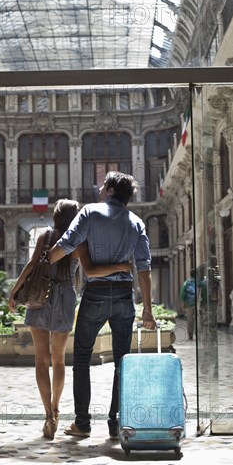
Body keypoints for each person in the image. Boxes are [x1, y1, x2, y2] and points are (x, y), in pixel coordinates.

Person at [9, 199, 130, 440]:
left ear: (55, 217)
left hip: (40, 298)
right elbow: (90, 271)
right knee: (59, 360)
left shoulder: (46, 235)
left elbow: (32, 265)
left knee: (41, 360)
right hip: (65, 297)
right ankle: (56, 407)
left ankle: (48, 417)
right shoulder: (80, 241)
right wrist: (120, 267)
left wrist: (15, 291)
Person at [49, 171, 156, 440]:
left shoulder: (89, 213)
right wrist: (148, 311)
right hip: (123, 296)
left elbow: (68, 243)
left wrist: (43, 261)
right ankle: (115, 425)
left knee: (82, 359)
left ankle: (82, 424)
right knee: (122, 362)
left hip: (95, 295)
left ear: (109, 189)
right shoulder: (136, 223)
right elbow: (144, 269)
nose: (98, 188)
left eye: (102, 185)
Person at [179, 269, 196, 340]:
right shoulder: (200, 282)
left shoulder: (186, 283)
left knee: (190, 320)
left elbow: (182, 294)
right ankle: (200, 334)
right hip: (199, 304)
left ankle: (190, 334)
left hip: (189, 304)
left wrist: (183, 304)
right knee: (199, 319)